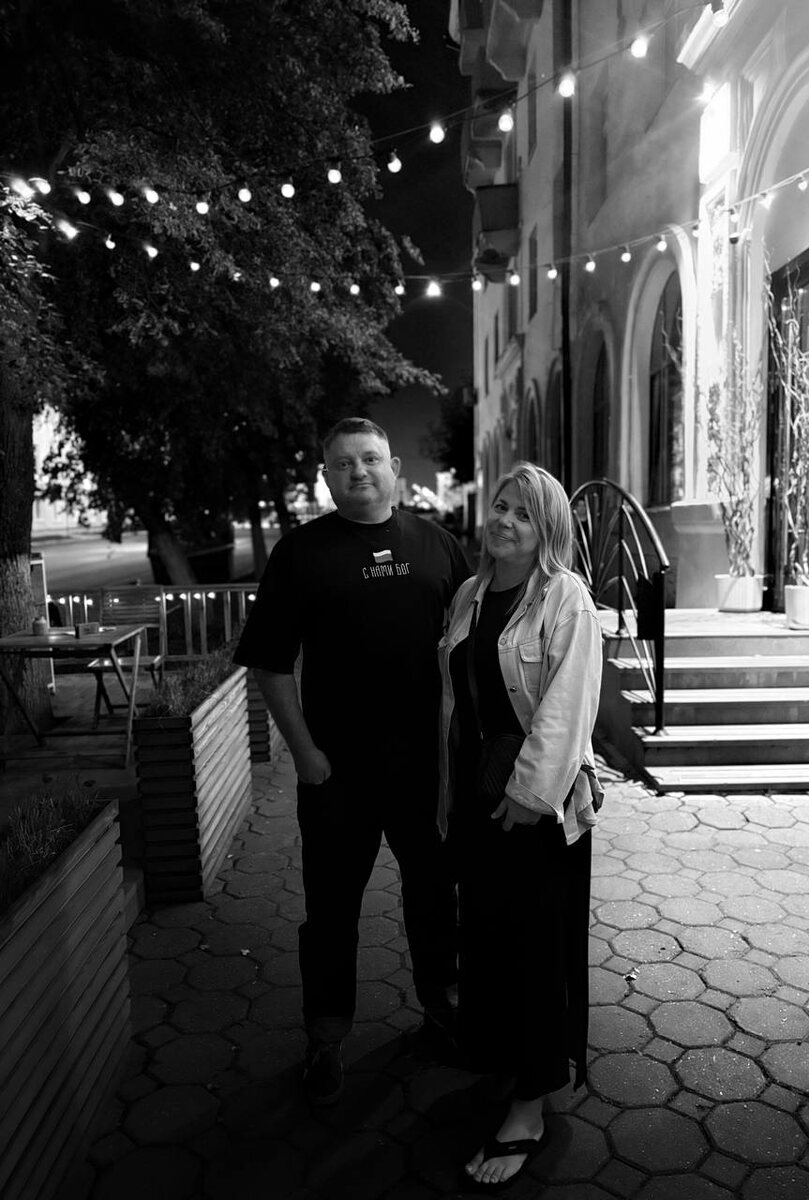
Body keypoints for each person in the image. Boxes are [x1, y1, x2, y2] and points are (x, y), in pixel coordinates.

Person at [233, 417, 471, 1105]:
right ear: (327, 476)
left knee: (436, 897)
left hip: (427, 771)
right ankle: (326, 1036)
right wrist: (305, 754)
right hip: (337, 776)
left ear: (395, 468)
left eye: (370, 458)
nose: (358, 471)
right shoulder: (301, 553)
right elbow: (270, 665)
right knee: (331, 911)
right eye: (342, 463)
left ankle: (444, 1011)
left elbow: (473, 648)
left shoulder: (437, 546)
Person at [437, 462, 604, 1190]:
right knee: (487, 940)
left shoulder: (567, 598)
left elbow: (569, 707)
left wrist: (531, 794)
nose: (505, 521)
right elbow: (455, 703)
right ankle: (505, 1062)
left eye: (524, 514)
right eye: (501, 506)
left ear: (548, 530)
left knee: (537, 952)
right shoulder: (470, 594)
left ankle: (531, 1107)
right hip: (478, 798)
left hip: (536, 808)